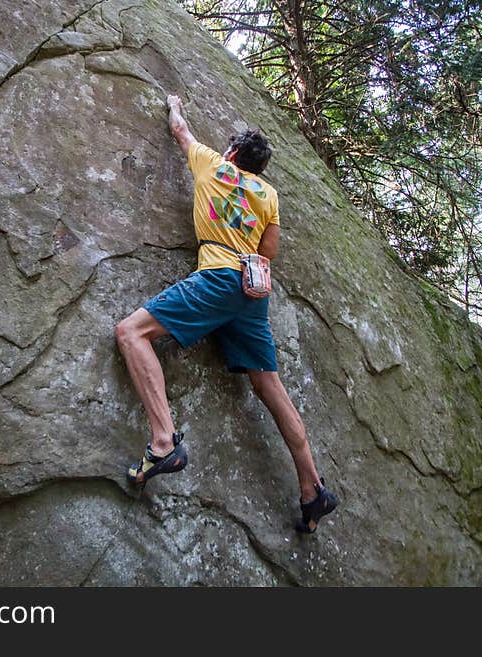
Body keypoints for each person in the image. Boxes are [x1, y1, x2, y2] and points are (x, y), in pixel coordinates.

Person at [115, 94, 338, 533]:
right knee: (269, 385)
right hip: (253, 291)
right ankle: (312, 488)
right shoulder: (269, 195)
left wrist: (175, 104)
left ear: (233, 153)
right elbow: (268, 252)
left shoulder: (211, 163)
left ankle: (164, 442)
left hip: (217, 276)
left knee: (130, 333)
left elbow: (180, 131)